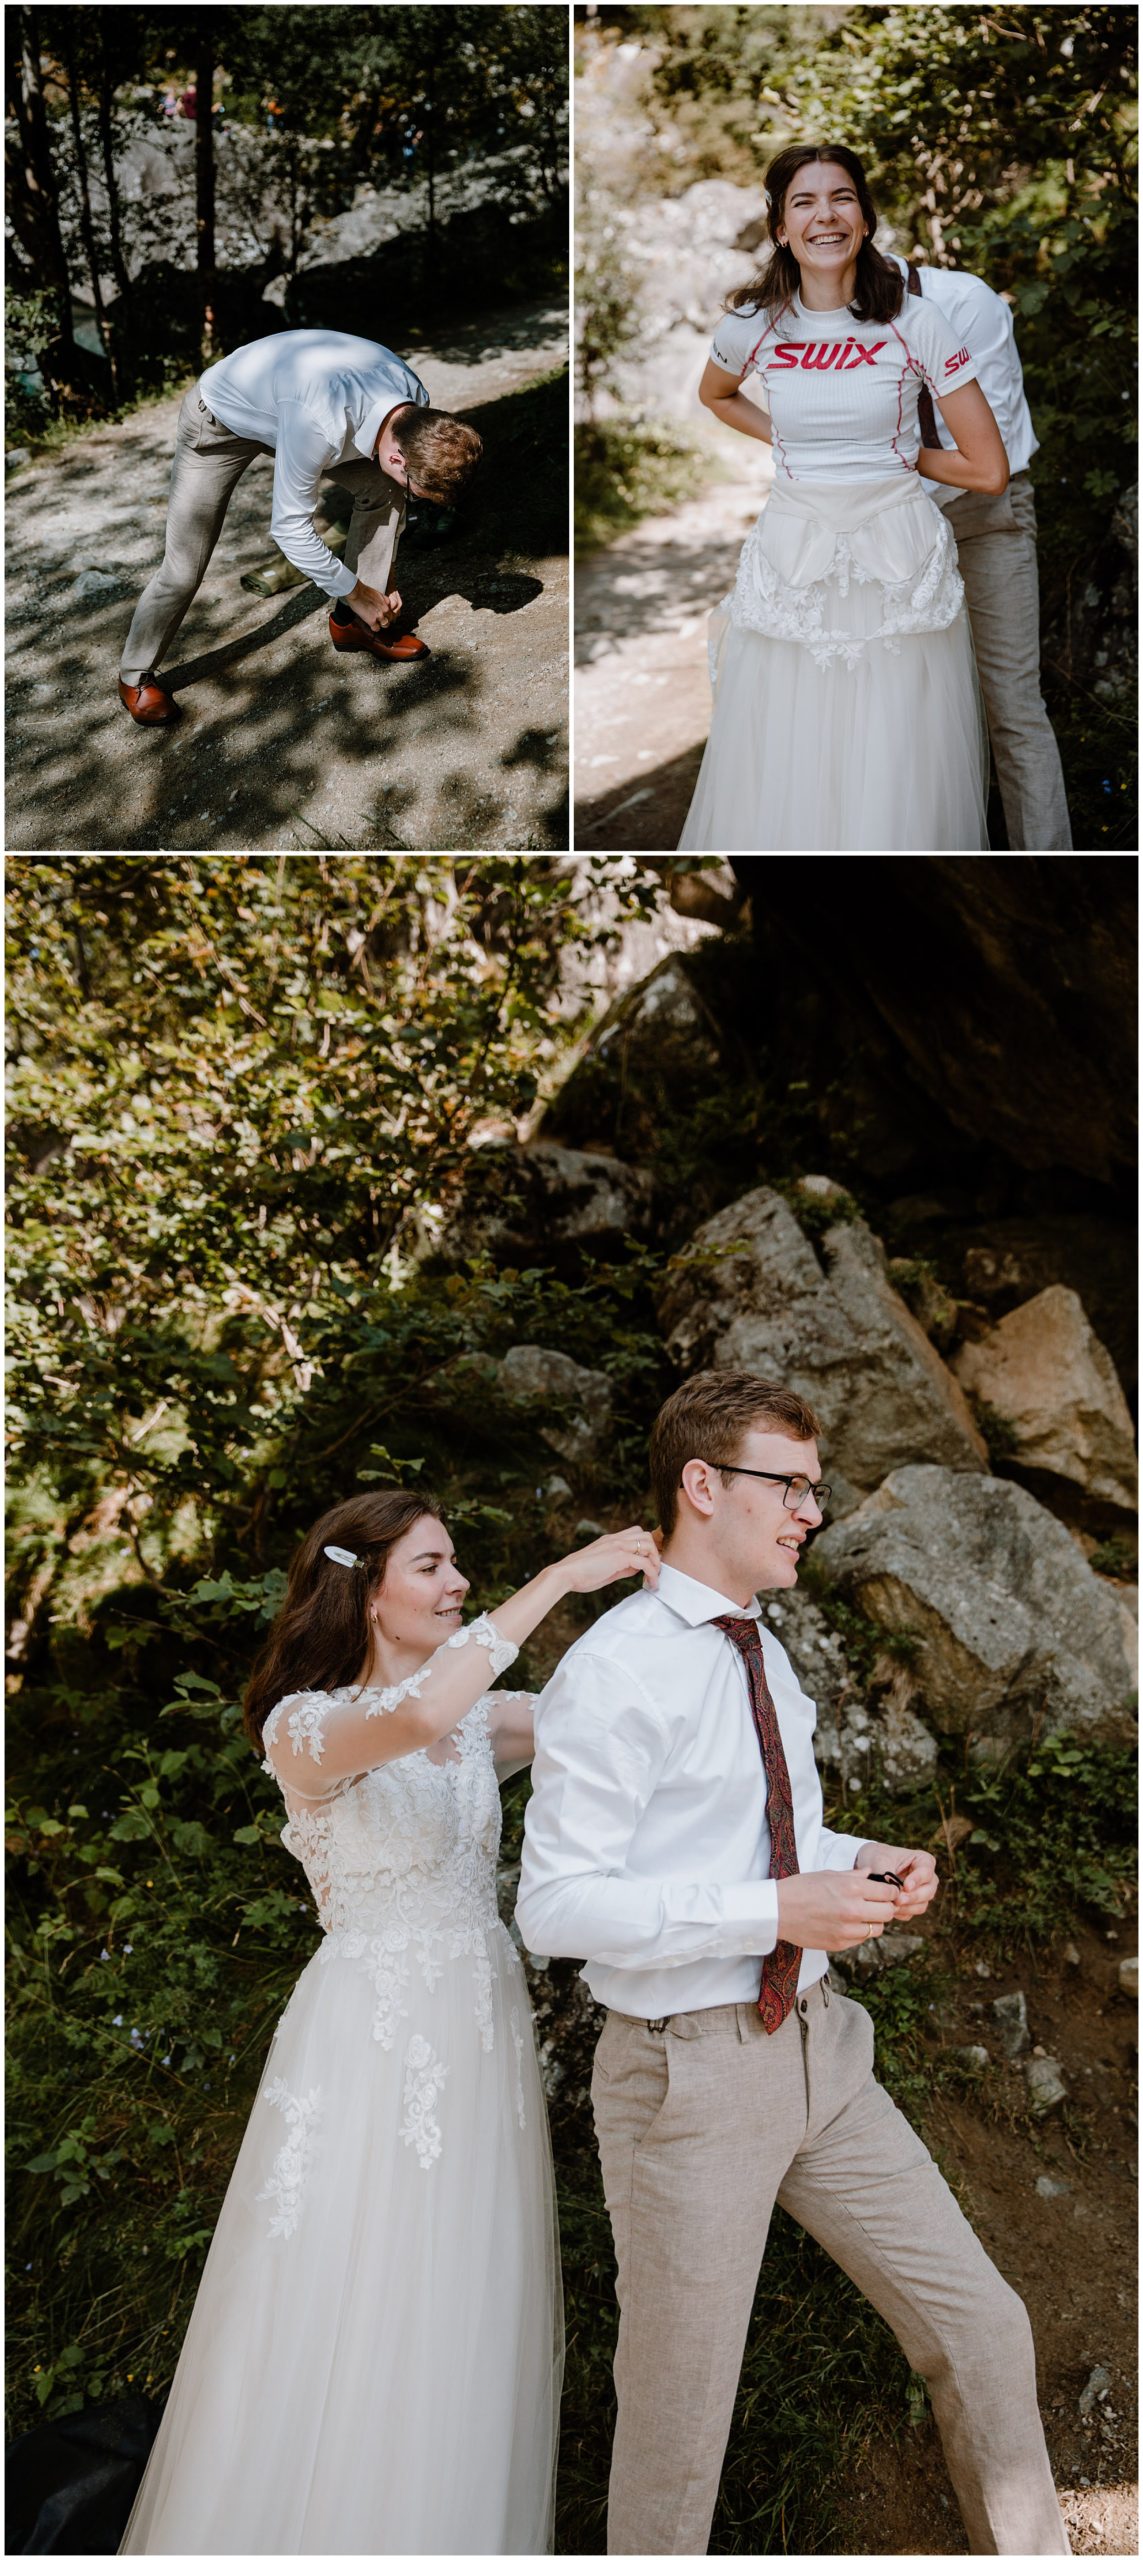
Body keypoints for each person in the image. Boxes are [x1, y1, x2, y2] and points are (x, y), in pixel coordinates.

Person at [517, 1371, 1072, 2558]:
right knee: (678, 2432)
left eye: (815, 1489)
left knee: (982, 2326)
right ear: (701, 1485)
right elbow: (556, 1905)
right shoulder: (612, 1671)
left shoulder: (759, 1649)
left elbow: (776, 1835)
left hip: (824, 2051)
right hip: (688, 2083)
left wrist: (866, 1858)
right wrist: (775, 1905)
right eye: (790, 1485)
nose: (811, 1510)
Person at [119, 1489, 660, 2555]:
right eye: (433, 1565)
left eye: (458, 1565)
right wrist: (556, 1579)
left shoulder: (481, 1715)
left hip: (481, 2043)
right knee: (347, 2294)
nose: (457, 1583)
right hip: (365, 2049)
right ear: (366, 1589)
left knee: (461, 2307)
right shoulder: (304, 1728)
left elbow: (608, 1726)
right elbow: (410, 1719)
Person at [677, 142, 1008, 853]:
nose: (823, 215)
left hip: (897, 569)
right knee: (793, 752)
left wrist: (894, 453)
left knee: (895, 758)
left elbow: (986, 470)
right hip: (793, 563)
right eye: (803, 201)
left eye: (841, 198)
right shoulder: (750, 325)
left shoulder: (916, 322)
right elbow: (715, 395)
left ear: (864, 218)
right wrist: (790, 445)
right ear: (777, 228)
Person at [117, 330, 483, 725]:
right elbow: (290, 530)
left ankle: (357, 622)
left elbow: (389, 481)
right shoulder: (319, 422)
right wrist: (357, 589)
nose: (416, 498)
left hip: (289, 408)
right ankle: (134, 675)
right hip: (219, 422)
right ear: (397, 457)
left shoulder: (416, 404)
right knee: (184, 566)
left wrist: (380, 581)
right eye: (418, 491)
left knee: (384, 491)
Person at [884, 247, 1072, 851]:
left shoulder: (966, 302)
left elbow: (983, 460)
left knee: (1013, 707)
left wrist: (867, 451)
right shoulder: (828, 317)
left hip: (988, 516)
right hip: (889, 523)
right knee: (900, 713)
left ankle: (1047, 863)